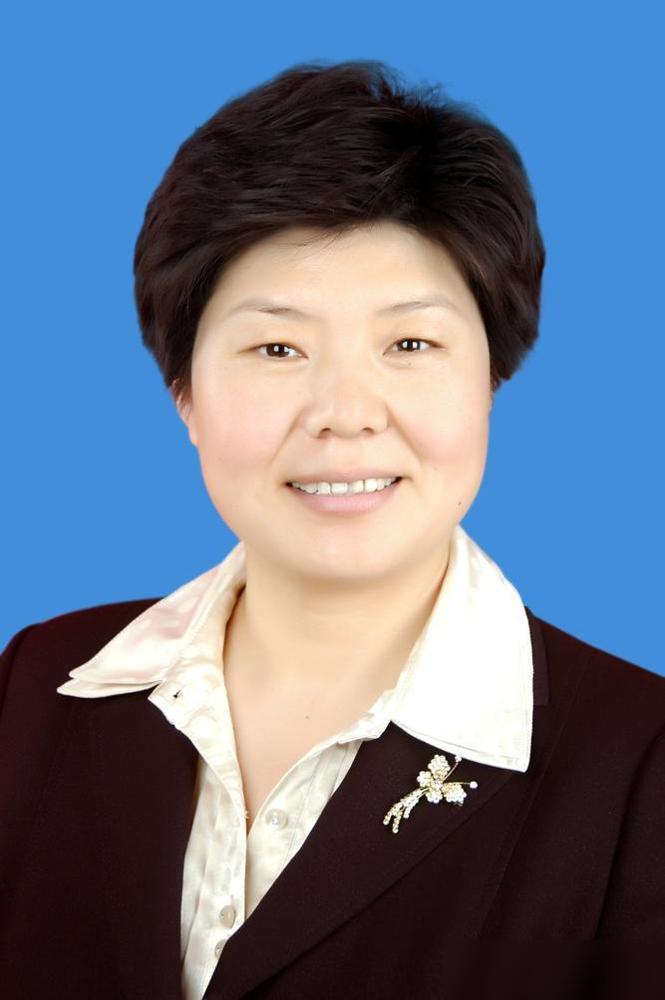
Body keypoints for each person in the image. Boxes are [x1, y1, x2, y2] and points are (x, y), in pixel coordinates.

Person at [1, 59, 664, 1000]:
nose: (345, 414)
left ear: (490, 378)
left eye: (409, 344)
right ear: (183, 392)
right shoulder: (36, 687)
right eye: (277, 347)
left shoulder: (640, 764)